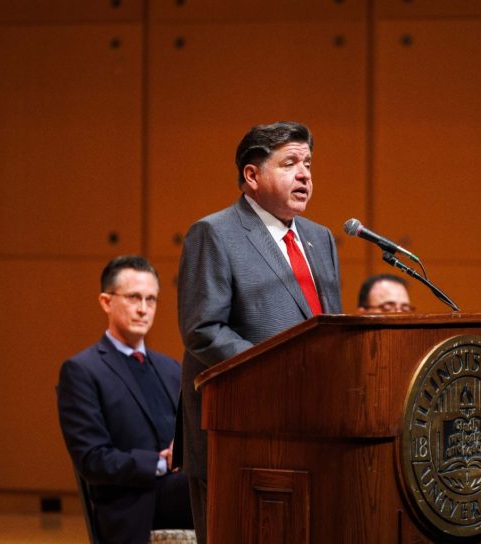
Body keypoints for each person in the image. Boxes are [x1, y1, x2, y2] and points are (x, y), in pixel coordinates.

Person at [177, 121, 342, 543]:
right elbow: (204, 330)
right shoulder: (215, 233)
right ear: (252, 176)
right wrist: (279, 373)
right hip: (239, 433)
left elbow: (329, 328)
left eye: (308, 164)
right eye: (290, 163)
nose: (305, 174)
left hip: (313, 430)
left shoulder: (320, 238)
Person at [57, 256, 192, 544]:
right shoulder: (82, 370)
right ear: (106, 301)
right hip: (132, 502)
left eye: (151, 299)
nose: (144, 309)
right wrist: (159, 463)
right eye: (134, 298)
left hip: (180, 489)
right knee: (217, 490)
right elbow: (92, 459)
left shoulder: (170, 368)